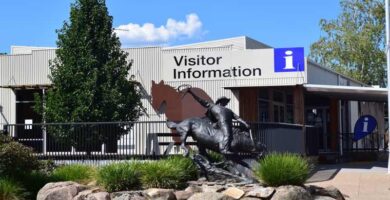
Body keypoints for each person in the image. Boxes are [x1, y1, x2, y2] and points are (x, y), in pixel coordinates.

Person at [187, 89, 250, 154]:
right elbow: (200, 100)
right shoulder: (212, 106)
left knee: (235, 132)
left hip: (223, 125)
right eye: (225, 102)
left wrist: (245, 123)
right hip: (217, 124)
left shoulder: (228, 110)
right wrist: (192, 93)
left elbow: (238, 118)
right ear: (220, 102)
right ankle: (225, 149)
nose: (226, 103)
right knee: (228, 134)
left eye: (226, 102)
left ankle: (235, 148)